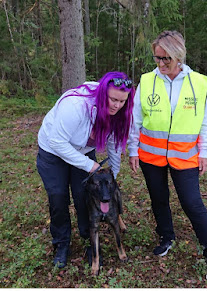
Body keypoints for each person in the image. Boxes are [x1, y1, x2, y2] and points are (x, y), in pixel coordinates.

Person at [127, 31, 207, 280]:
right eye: (156, 58)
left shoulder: (199, 83)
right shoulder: (147, 80)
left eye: (165, 58)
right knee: (158, 199)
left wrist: (204, 152)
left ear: (178, 55)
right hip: (151, 155)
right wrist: (132, 149)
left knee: (192, 204)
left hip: (185, 156)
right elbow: (136, 119)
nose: (160, 64)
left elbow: (205, 122)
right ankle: (166, 236)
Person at [36, 71, 135, 268]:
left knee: (85, 195)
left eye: (122, 101)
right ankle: (62, 244)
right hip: (53, 151)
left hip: (83, 151)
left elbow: (114, 145)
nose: (117, 105)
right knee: (58, 197)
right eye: (113, 99)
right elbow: (57, 142)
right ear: (102, 93)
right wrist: (89, 165)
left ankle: (89, 239)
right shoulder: (76, 106)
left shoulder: (119, 114)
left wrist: (112, 177)